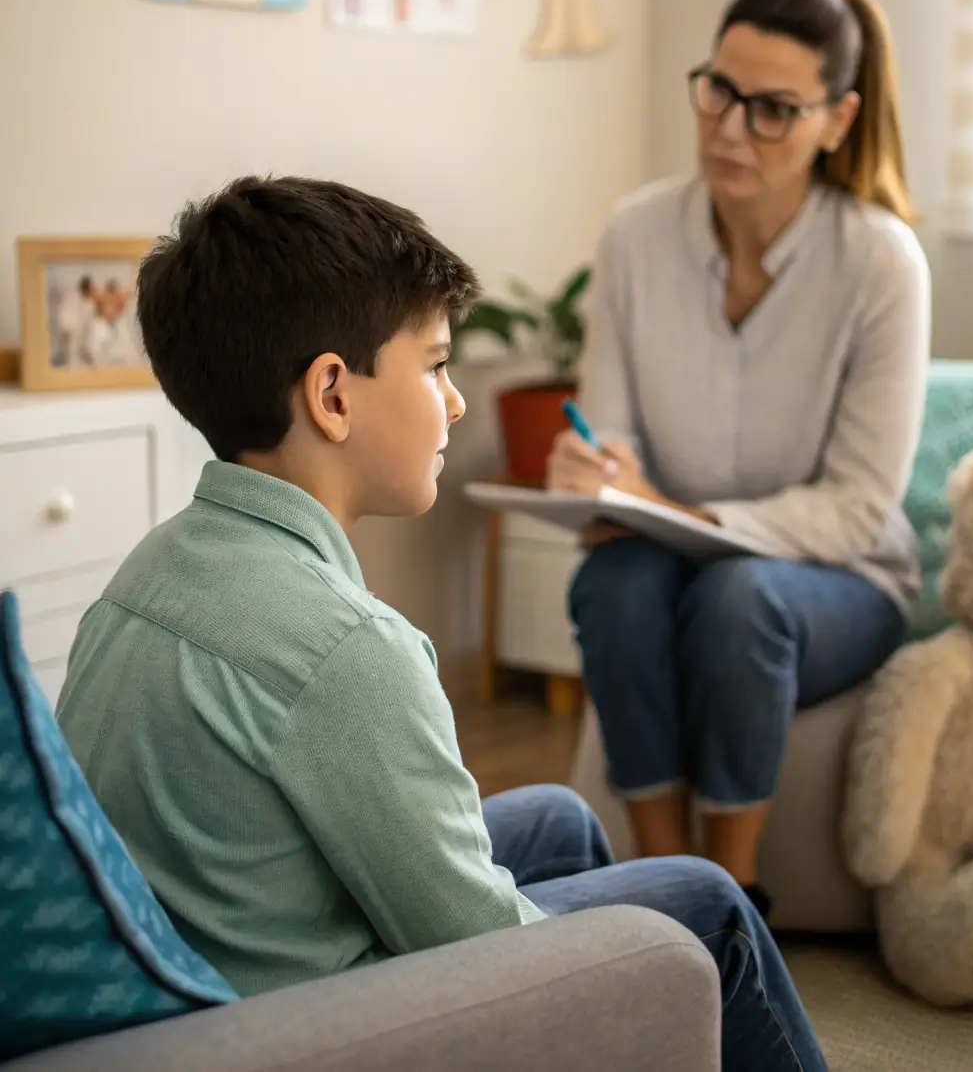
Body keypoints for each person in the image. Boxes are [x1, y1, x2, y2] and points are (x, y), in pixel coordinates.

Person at [57, 176, 826, 1072]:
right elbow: (484, 943)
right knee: (707, 904)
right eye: (435, 365)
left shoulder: (138, 578)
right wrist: (619, 959)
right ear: (333, 395)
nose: (456, 401)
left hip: (196, 981)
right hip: (299, 1029)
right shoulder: (347, 648)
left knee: (562, 820)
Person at [548, 0, 931, 917]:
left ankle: (732, 902)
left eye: (772, 110)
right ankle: (658, 893)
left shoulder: (881, 261)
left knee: (739, 596)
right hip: (667, 562)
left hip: (841, 578)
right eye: (718, 89)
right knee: (615, 584)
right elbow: (612, 433)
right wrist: (594, 477)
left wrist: (675, 513)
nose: (728, 128)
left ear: (836, 120)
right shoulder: (637, 234)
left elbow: (855, 505)